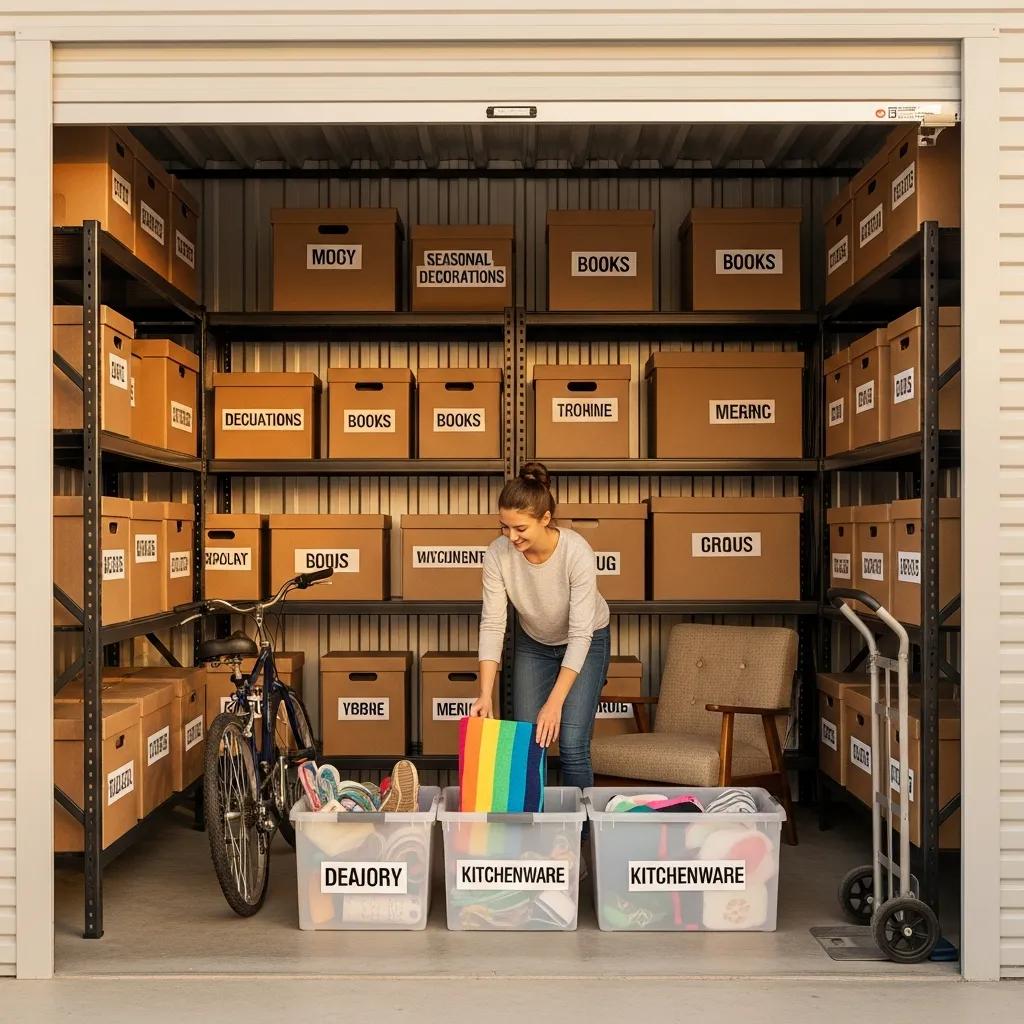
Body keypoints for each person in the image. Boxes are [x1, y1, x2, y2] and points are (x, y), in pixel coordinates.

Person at [470, 461, 611, 793]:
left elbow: (580, 634)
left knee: (573, 744)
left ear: (545, 519)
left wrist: (554, 702)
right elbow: (492, 624)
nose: (511, 536)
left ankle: (583, 838)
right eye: (504, 527)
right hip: (534, 643)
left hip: (585, 642)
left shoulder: (576, 552)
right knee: (528, 742)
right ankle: (533, 833)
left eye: (520, 528)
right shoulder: (497, 554)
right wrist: (485, 693)